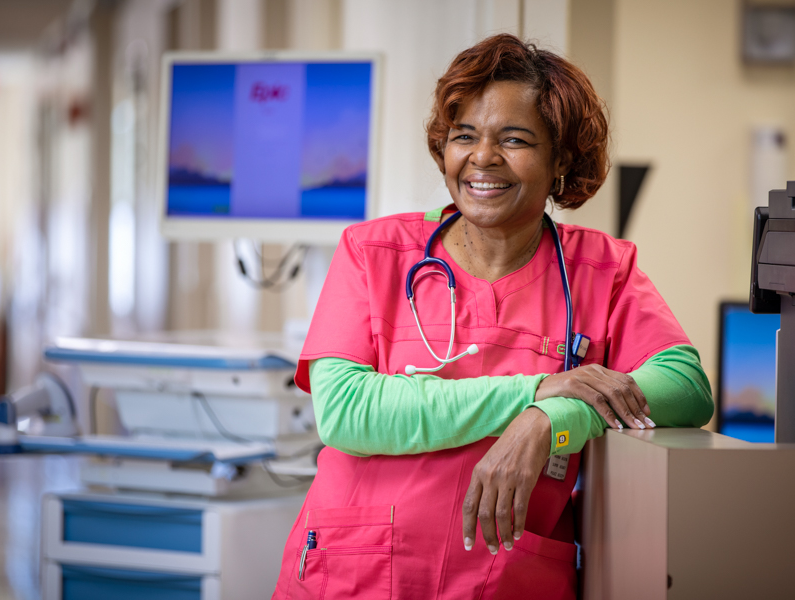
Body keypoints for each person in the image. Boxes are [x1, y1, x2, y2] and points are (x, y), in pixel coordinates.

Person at [272, 34, 713, 600]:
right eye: (464, 136)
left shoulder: (601, 269)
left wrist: (553, 416)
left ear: (562, 160)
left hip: (505, 579)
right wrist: (536, 388)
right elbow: (347, 411)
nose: (482, 157)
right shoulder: (374, 252)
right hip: (355, 575)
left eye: (514, 138)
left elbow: (685, 386)